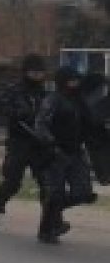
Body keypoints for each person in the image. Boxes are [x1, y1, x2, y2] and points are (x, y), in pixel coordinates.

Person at [35, 66, 97, 245]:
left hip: (77, 152)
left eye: (76, 80)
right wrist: (50, 142)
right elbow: (40, 123)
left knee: (83, 192)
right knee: (55, 194)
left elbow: (91, 123)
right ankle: (46, 230)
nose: (75, 83)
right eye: (71, 80)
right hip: (56, 153)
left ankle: (53, 215)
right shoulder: (53, 100)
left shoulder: (81, 100)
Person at [0, 53, 48, 227]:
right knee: (13, 181)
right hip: (19, 142)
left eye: (40, 72)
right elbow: (2, 108)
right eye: (33, 72)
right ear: (26, 72)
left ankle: (50, 221)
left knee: (47, 183)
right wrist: (19, 114)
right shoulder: (14, 91)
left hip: (39, 144)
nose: (37, 76)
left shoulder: (44, 94)